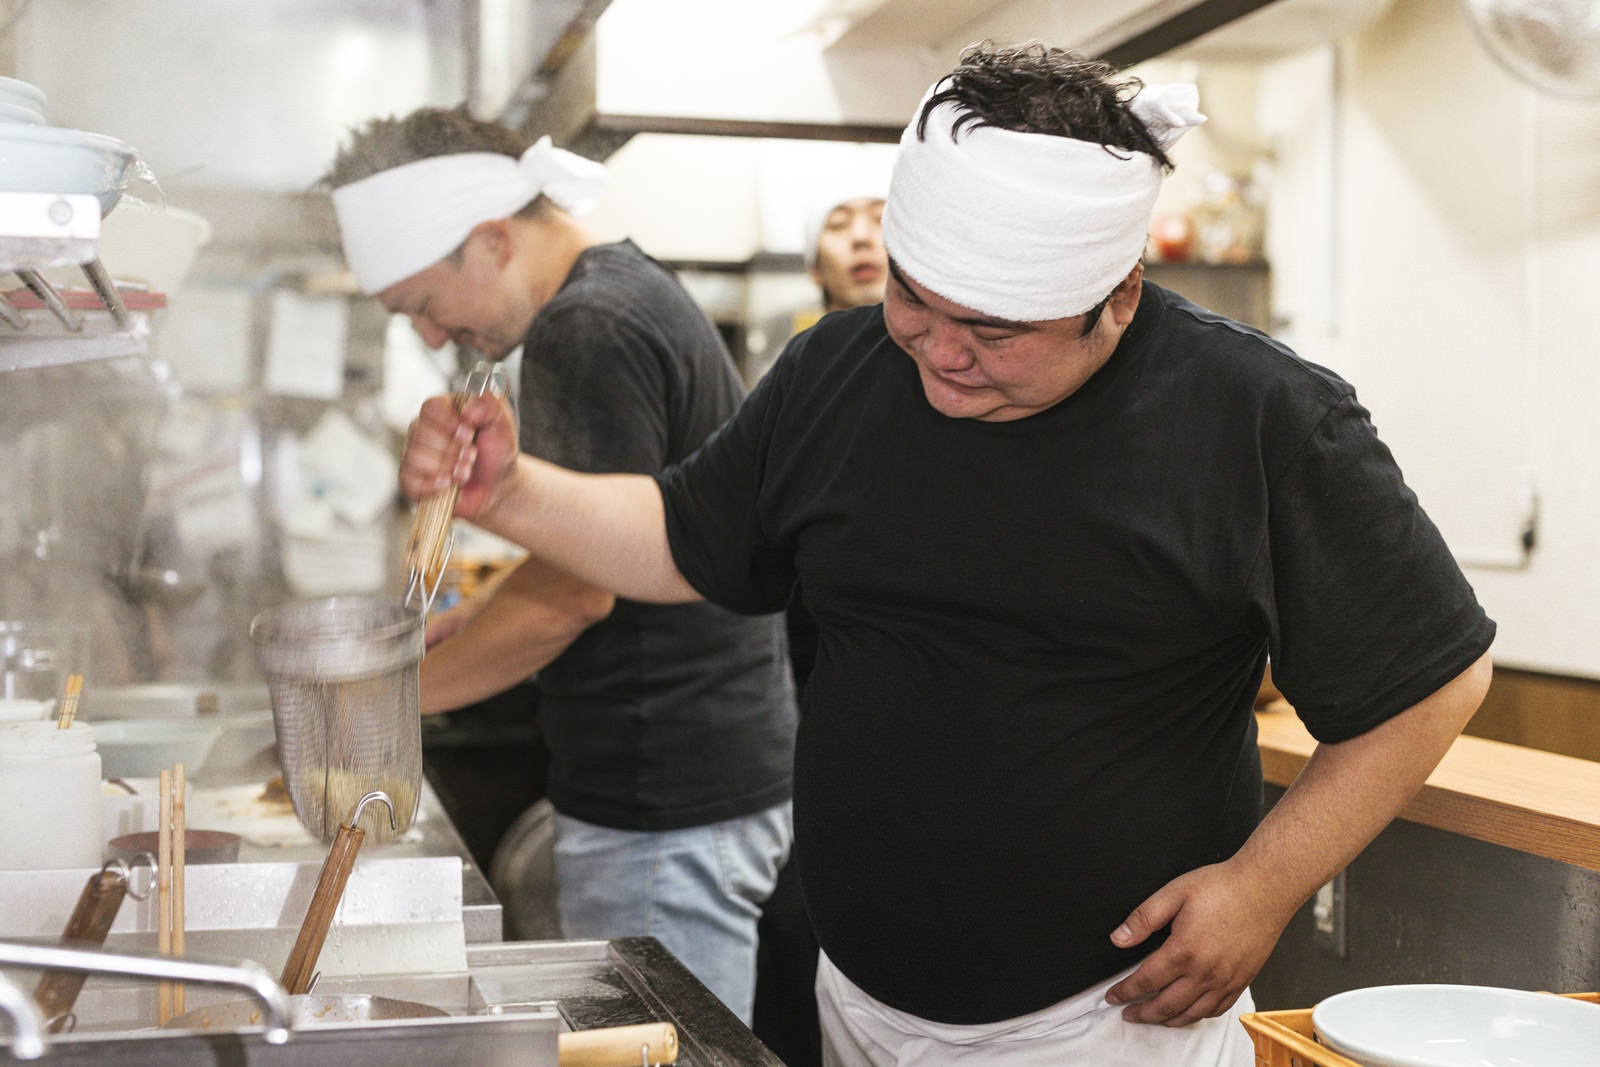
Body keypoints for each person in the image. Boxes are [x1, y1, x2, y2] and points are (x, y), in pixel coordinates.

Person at [397, 43, 1495, 1065]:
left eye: (998, 329)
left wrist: (1263, 884)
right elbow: (684, 541)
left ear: (1115, 297)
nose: (943, 354)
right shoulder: (836, 367)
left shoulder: (1257, 418)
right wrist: (515, 492)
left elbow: (1434, 677)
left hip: (1104, 1024)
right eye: (916, 299)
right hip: (861, 999)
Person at [322, 105, 798, 1026]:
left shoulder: (587, 329)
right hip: (697, 774)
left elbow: (577, 591)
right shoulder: (619, 290)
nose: (430, 336)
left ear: (492, 241)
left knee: (660, 1057)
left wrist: (381, 704)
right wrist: (484, 611)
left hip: (663, 793)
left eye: (421, 304)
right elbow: (604, 541)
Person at [753, 190, 889, 1067]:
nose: (863, 235)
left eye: (878, 218)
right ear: (816, 270)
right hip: (816, 717)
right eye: (840, 226)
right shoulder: (799, 386)